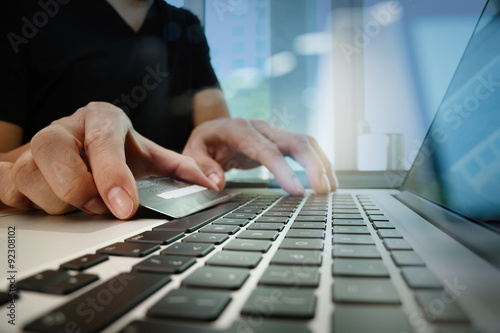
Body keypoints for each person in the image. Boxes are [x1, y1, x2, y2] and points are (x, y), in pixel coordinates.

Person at [0, 0, 337, 220]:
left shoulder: (185, 25)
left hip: (176, 221)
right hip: (64, 226)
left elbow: (213, 124)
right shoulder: (25, 15)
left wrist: (217, 139)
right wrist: (82, 149)